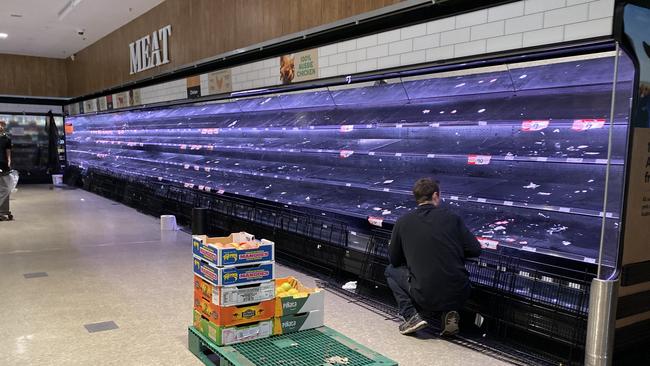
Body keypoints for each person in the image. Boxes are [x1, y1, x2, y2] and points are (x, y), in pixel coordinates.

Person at [385, 178, 481, 336]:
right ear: (436, 195)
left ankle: (411, 316)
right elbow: (475, 250)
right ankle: (448, 312)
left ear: (415, 197)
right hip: (460, 292)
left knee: (390, 271)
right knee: (445, 277)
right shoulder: (453, 218)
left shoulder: (403, 222)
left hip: (425, 292)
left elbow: (394, 260)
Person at [0, 121, 13, 220]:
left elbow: (8, 151)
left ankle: (3, 209)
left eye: (2, 125)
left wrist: (9, 161)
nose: (0, 126)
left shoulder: (7, 139)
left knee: (7, 187)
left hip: (4, 165)